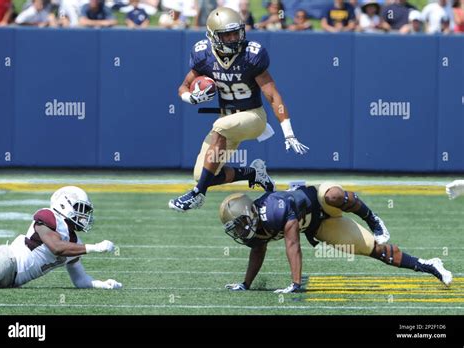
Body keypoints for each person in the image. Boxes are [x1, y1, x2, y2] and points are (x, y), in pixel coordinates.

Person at [169, 7, 308, 212]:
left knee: (219, 127)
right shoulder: (202, 54)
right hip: (227, 123)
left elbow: (273, 95)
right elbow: (182, 87)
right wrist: (191, 97)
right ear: (213, 36)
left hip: (253, 118)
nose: (234, 38)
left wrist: (288, 133)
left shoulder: (252, 54)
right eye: (227, 34)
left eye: (237, 32)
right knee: (204, 175)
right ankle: (253, 174)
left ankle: (197, 194)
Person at [220, 181, 452, 293]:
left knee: (333, 195)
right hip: (318, 226)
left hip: (319, 201)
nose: (239, 232)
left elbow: (293, 245)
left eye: (239, 225)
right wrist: (245, 284)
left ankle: (372, 218)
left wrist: (296, 284)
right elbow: (258, 250)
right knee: (373, 248)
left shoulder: (274, 210)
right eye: (235, 229)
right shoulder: (254, 231)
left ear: (249, 214)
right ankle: (429, 265)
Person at [0, 186, 122, 289]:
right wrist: (96, 247)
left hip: (12, 280)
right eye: (79, 209)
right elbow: (56, 248)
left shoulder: (74, 243)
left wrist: (103, 284)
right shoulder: (49, 216)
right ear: (64, 205)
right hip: (7, 261)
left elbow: (80, 280)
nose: (83, 216)